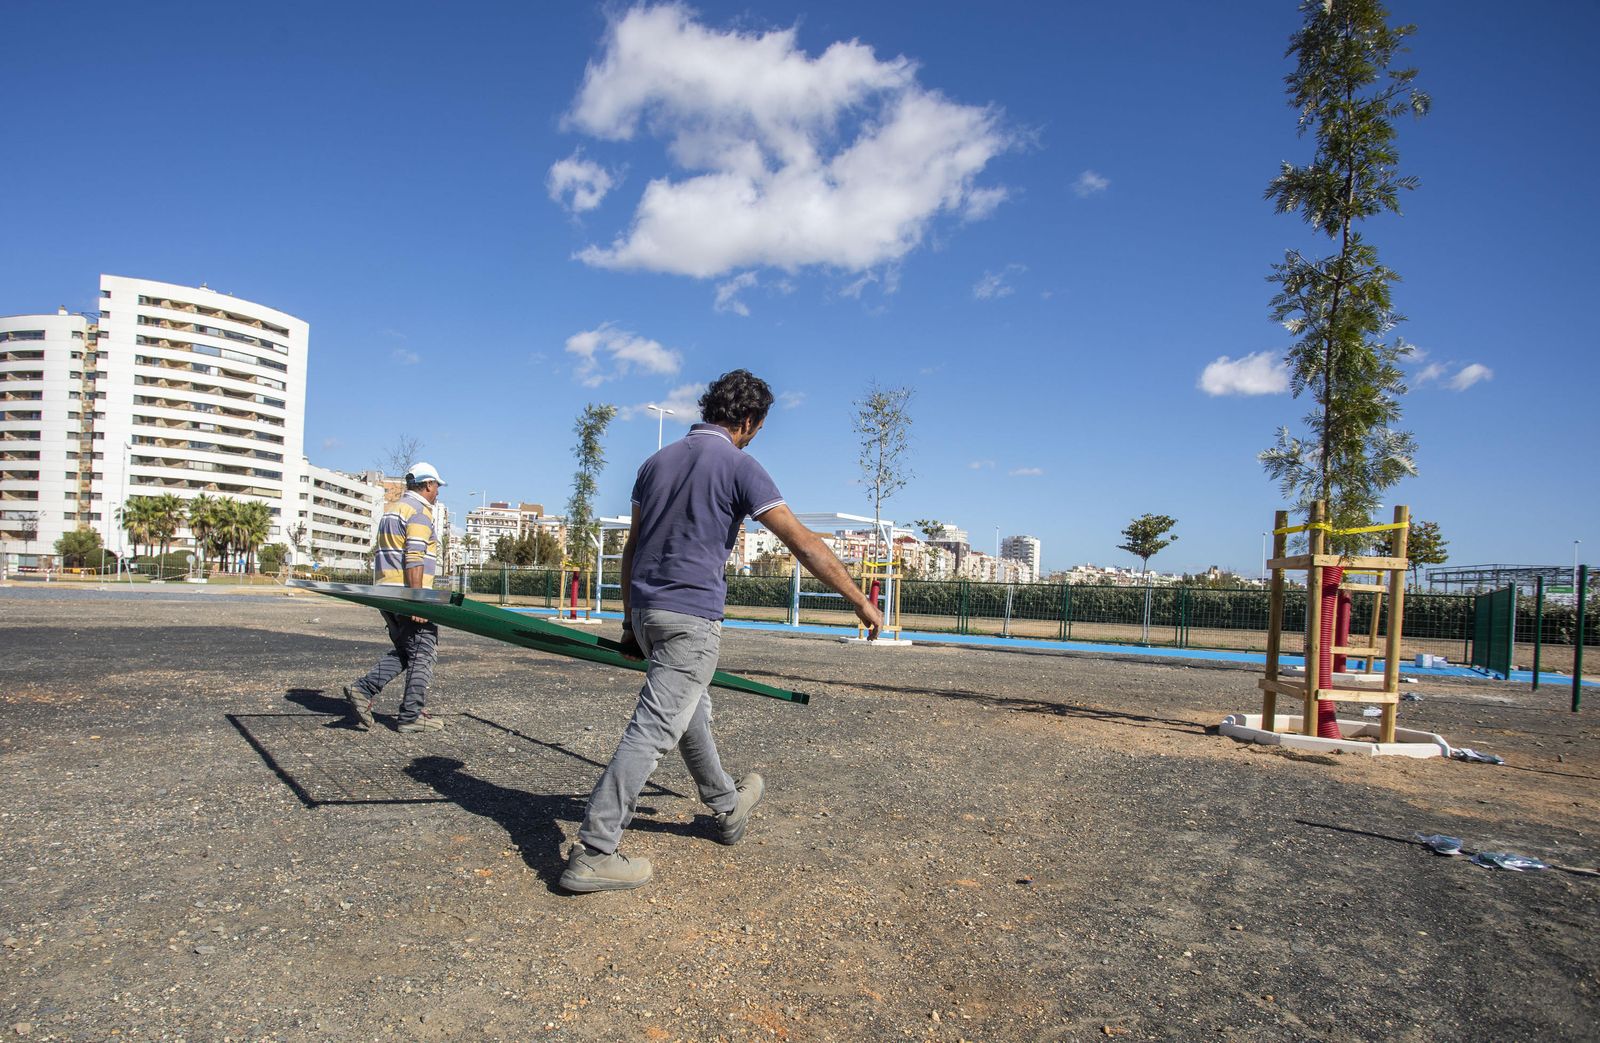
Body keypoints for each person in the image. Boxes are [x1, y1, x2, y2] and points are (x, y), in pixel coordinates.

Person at [560, 370, 882, 893]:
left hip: (647, 611)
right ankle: (595, 850)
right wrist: (861, 600)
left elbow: (632, 547)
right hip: (691, 619)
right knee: (653, 729)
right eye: (756, 428)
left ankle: (728, 807)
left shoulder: (654, 463)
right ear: (749, 422)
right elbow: (802, 543)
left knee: (691, 711)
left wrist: (628, 621)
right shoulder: (740, 466)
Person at [344, 461, 447, 734]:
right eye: (437, 486)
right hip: (407, 594)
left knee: (406, 650)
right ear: (427, 485)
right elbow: (414, 556)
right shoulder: (419, 512)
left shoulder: (394, 510)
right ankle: (411, 715)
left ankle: (362, 689)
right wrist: (416, 599)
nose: (438, 493)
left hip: (386, 593)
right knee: (424, 650)